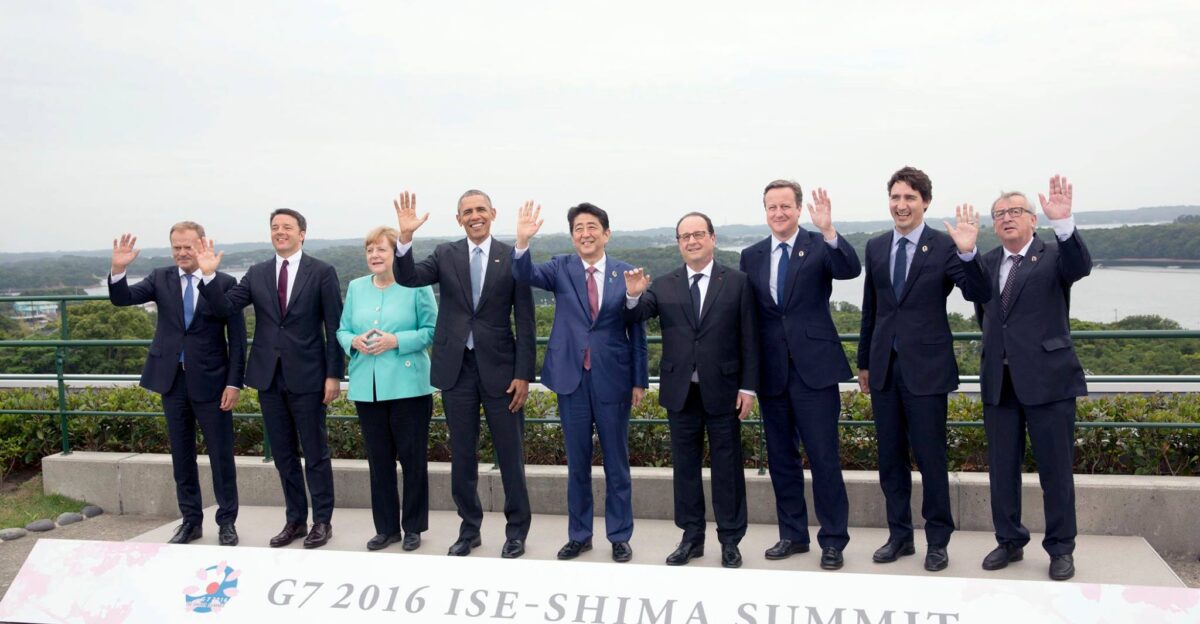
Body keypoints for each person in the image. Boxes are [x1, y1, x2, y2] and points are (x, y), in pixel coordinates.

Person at [856, 167, 991, 572]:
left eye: (910, 198)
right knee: (889, 459)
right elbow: (871, 308)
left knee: (931, 458)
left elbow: (978, 292)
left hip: (927, 370)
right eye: (896, 197)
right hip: (884, 367)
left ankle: (937, 541)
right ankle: (899, 536)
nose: (902, 205)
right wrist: (864, 361)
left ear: (925, 203)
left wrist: (968, 253)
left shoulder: (944, 245)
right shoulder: (876, 246)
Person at [393, 190, 535, 558]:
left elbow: (525, 319)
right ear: (459, 219)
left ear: (493, 213)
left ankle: (516, 532)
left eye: (480, 209)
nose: (475, 216)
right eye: (467, 211)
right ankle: (469, 530)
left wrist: (524, 374)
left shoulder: (512, 256)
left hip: (502, 373)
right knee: (462, 456)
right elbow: (408, 277)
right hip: (456, 370)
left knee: (511, 456)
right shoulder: (445, 254)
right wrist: (405, 237)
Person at [195, 208, 343, 549]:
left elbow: (333, 325)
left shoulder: (322, 271)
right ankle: (295, 520)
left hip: (309, 376)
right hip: (268, 377)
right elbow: (225, 307)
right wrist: (208, 276)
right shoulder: (257, 272)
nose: (280, 232)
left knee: (315, 453)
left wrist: (334, 374)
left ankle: (322, 521)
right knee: (283, 455)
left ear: (302, 233)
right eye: (275, 227)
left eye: (287, 227)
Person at [512, 202, 648, 563]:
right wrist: (522, 241)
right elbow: (524, 273)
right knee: (577, 464)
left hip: (613, 379)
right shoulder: (560, 267)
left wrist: (639, 380)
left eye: (592, 227)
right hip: (571, 379)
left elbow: (637, 330)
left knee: (617, 463)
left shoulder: (625, 273)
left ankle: (619, 536)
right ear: (572, 236)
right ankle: (579, 535)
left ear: (606, 233)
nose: (585, 234)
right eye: (578, 229)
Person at [623, 212, 758, 568]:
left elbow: (750, 339)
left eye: (699, 234)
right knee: (685, 469)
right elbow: (637, 314)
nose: (692, 241)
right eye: (685, 236)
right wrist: (633, 295)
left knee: (728, 469)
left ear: (713, 238)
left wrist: (748, 387)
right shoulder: (664, 284)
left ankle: (730, 540)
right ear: (678, 243)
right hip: (680, 392)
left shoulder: (738, 282)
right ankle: (691, 538)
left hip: (724, 390)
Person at [739, 180, 861, 570]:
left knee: (824, 457)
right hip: (772, 373)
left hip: (815, 370)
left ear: (798, 208)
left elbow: (850, 269)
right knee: (781, 460)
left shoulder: (819, 245)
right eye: (771, 207)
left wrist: (829, 230)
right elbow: (749, 317)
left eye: (785, 206)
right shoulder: (751, 256)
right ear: (765, 211)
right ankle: (792, 535)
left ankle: (833, 540)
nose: (778, 213)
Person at [975, 175, 1090, 581]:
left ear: (1033, 220)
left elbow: (1080, 266)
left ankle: (1060, 548)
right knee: (1002, 470)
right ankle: (1009, 540)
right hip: (999, 382)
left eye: (1015, 212)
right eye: (999, 214)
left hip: (1049, 380)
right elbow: (986, 316)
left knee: (1055, 471)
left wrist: (1065, 223)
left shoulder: (1054, 255)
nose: (1007, 218)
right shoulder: (988, 262)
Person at [107, 223, 246, 546]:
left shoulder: (225, 283)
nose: (182, 253)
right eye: (176, 248)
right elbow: (123, 298)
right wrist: (118, 269)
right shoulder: (160, 277)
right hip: (172, 381)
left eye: (188, 247)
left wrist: (234, 383)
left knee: (221, 457)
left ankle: (227, 522)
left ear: (202, 246)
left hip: (213, 383)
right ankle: (190, 522)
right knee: (181, 457)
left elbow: (238, 341)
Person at [337, 226, 437, 552]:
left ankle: (413, 527)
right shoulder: (356, 287)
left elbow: (432, 330)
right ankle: (386, 528)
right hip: (368, 388)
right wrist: (352, 341)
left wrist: (397, 340)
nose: (375, 255)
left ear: (396, 254)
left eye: (381, 249)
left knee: (412, 461)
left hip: (410, 388)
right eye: (370, 250)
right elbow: (342, 329)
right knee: (379, 464)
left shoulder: (417, 286)